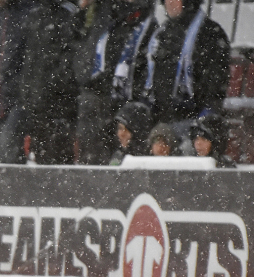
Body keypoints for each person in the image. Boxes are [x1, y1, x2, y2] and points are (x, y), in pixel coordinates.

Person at [143, 0, 230, 154]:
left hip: (194, 120)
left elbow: (215, 89)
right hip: (163, 121)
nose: (169, 3)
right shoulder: (161, 34)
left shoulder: (210, 33)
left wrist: (199, 123)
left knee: (185, 147)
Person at [75, 0, 157, 164]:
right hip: (103, 104)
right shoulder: (110, 20)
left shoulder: (149, 27)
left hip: (128, 107)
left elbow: (145, 72)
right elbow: (86, 56)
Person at [21, 0, 84, 164]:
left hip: (59, 102)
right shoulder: (36, 15)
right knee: (42, 156)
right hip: (38, 102)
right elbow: (29, 59)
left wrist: (55, 84)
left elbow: (72, 57)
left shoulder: (70, 15)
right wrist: (28, 92)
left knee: (60, 155)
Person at [0, 0, 34, 164]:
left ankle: (17, 185)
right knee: (5, 154)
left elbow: (31, 58)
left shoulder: (29, 13)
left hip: (19, 95)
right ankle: (17, 187)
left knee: (8, 148)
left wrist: (24, 88)